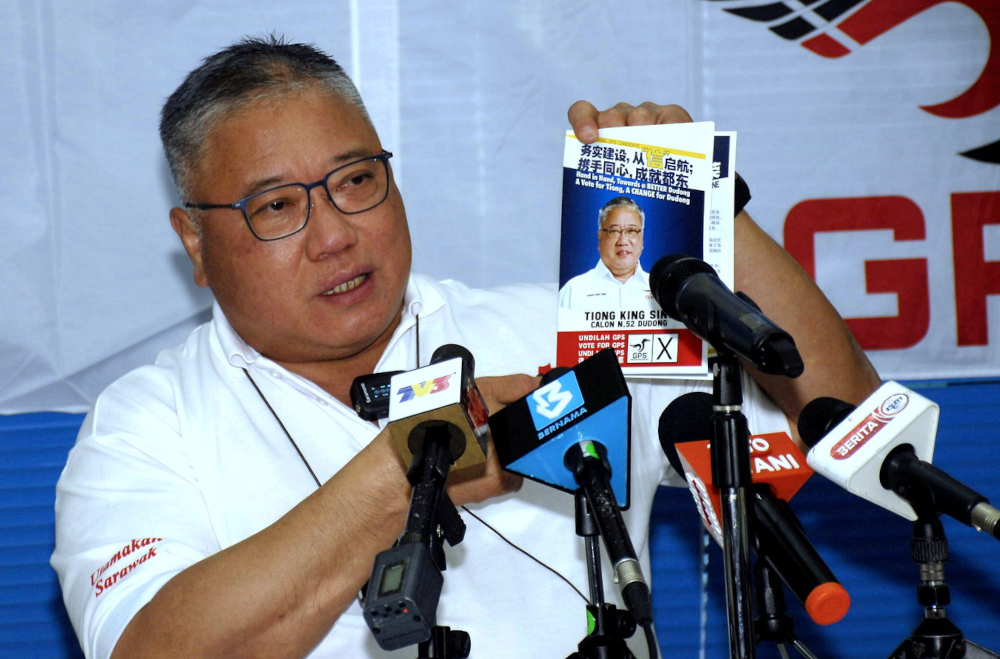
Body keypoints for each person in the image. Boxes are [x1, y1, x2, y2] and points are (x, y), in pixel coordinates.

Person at [51, 36, 880, 659]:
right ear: (194, 242)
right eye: (276, 206)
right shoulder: (145, 427)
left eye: (356, 180)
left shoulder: (551, 331)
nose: (335, 234)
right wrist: (404, 469)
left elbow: (849, 424)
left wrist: (712, 211)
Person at [559, 195, 656, 312]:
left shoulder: (659, 289)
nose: (623, 241)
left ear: (642, 238)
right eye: (614, 231)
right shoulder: (574, 290)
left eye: (632, 231)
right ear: (600, 238)